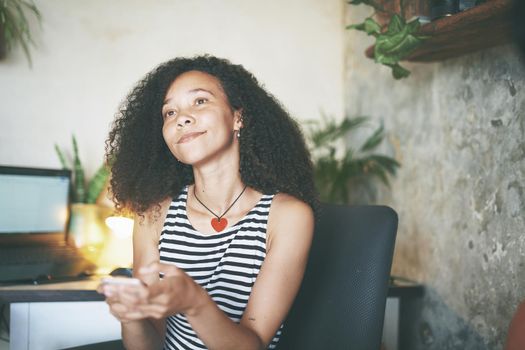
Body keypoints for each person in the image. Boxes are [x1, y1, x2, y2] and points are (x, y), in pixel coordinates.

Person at [98, 55, 317, 350]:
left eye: (200, 101)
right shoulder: (154, 215)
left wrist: (194, 301)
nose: (182, 118)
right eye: (169, 112)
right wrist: (131, 315)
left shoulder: (287, 217)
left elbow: (252, 345)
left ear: (237, 117)